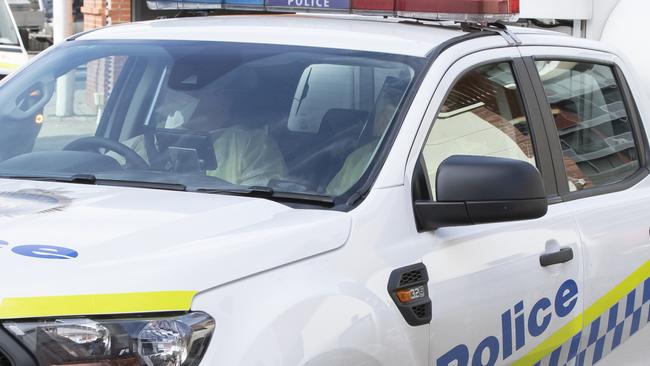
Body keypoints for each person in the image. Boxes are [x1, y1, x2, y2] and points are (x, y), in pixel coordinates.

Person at [122, 87, 287, 187]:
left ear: (220, 96)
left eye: (194, 87)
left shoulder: (250, 144)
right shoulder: (147, 139)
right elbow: (102, 164)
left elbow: (260, 201)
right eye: (176, 87)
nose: (174, 93)